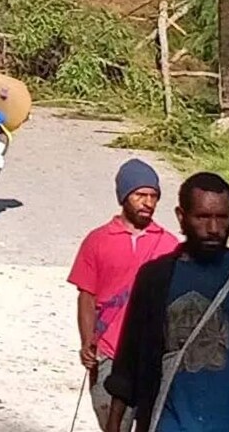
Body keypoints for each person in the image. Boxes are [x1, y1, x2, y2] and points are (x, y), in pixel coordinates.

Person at [104, 172, 229, 432]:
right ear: (181, 216)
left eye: (222, 218)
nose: (213, 228)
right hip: (172, 422)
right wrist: (114, 423)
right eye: (202, 217)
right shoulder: (156, 278)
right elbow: (130, 358)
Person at [69, 160, 179, 432]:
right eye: (140, 195)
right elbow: (87, 297)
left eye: (153, 196)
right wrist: (87, 343)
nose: (148, 203)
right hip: (108, 353)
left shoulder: (169, 245)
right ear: (123, 197)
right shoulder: (97, 240)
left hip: (153, 355)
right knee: (112, 425)